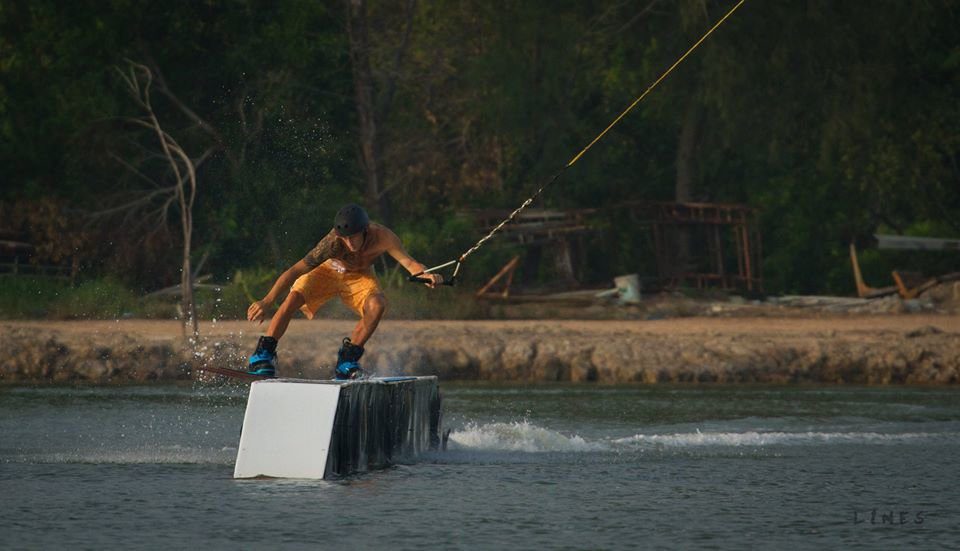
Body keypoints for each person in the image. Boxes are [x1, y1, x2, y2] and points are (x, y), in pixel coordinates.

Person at [245, 204, 443, 379]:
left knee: (378, 304)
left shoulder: (383, 236)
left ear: (364, 230)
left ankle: (347, 361)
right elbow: (295, 270)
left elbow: (409, 263)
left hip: (360, 276)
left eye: (353, 238)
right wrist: (267, 301)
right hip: (327, 271)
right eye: (345, 239)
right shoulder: (331, 243)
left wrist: (426, 275)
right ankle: (263, 354)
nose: (349, 243)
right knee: (294, 297)